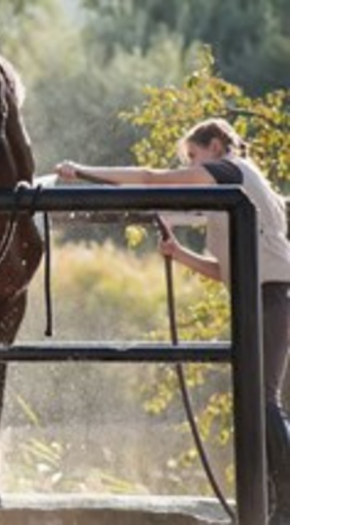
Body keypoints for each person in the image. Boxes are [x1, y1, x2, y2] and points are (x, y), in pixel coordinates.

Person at [55, 118, 290, 524]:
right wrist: (179, 253)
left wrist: (84, 171)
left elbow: (149, 178)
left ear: (216, 146)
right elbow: (226, 271)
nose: (192, 167)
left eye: (194, 157)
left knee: (264, 401)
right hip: (261, 296)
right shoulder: (238, 188)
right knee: (258, 401)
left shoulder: (230, 170)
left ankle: (288, 503)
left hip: (269, 297)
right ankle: (272, 503)